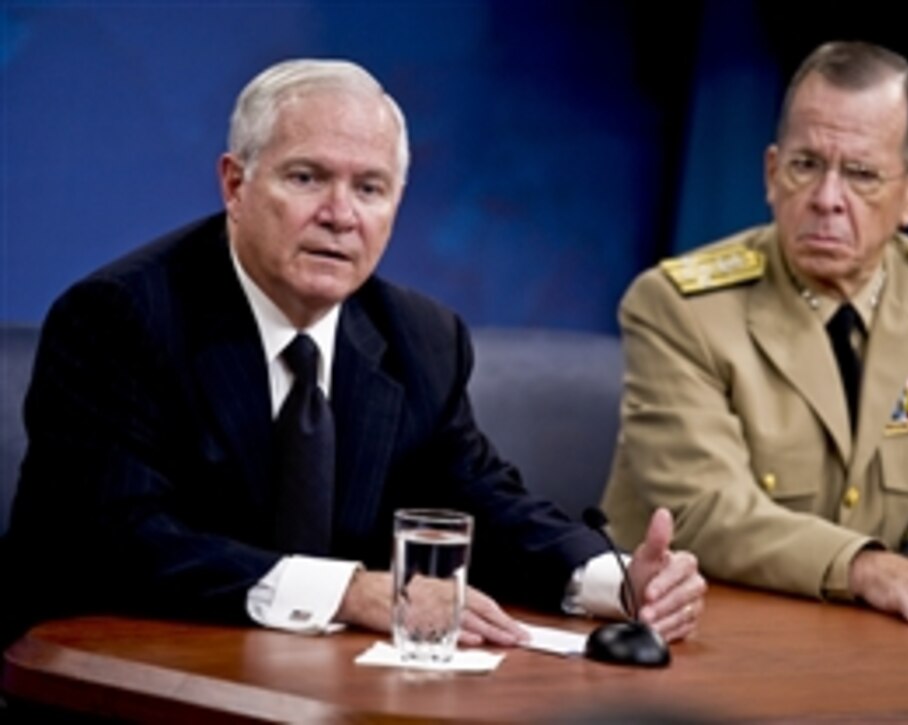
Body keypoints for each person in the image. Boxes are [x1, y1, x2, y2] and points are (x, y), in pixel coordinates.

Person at [5, 59, 704, 647]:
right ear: (234, 184)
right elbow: (118, 539)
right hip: (127, 675)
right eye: (307, 178)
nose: (340, 214)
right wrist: (348, 590)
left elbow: (481, 504)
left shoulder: (420, 339)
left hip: (329, 694)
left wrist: (611, 579)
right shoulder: (123, 318)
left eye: (369, 188)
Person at [601, 41, 908, 631]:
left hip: (891, 643)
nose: (826, 199)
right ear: (771, 173)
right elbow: (706, 510)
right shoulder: (679, 308)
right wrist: (864, 567)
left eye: (861, 175)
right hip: (705, 635)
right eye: (805, 165)